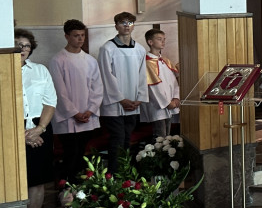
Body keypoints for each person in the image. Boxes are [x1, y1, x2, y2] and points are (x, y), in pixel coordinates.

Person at [48, 19, 103, 183]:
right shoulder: (57, 60)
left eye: (82, 35)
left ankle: (79, 188)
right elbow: (59, 90)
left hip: (87, 114)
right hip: (68, 117)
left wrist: (90, 110)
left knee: (81, 153)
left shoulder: (90, 60)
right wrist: (74, 112)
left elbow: (97, 87)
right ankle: (66, 187)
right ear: (67, 36)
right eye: (76, 36)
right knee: (70, 153)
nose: (80, 39)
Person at [98, 11, 149, 171]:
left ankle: (125, 174)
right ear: (116, 26)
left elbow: (142, 75)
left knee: (127, 139)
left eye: (130, 23)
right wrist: (121, 99)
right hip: (114, 105)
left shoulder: (139, 49)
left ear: (133, 26)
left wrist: (139, 98)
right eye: (123, 23)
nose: (126, 26)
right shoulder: (107, 48)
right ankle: (113, 175)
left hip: (133, 104)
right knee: (117, 139)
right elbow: (106, 76)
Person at [15, 28, 57, 208]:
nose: (23, 49)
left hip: (40, 127)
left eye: (27, 46)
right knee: (15, 181)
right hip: (13, 130)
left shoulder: (40, 70)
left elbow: (50, 102)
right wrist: (22, 133)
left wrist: (38, 129)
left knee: (37, 181)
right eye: (18, 44)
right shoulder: (4, 71)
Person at [139, 28, 180, 139]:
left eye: (164, 39)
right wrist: (166, 103)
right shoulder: (147, 63)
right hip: (157, 105)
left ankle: (165, 155)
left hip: (171, 102)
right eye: (159, 39)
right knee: (160, 135)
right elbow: (152, 87)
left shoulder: (165, 60)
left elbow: (174, 82)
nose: (163, 42)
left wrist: (176, 98)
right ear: (150, 42)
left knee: (168, 134)